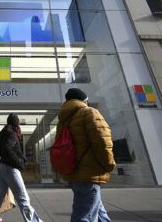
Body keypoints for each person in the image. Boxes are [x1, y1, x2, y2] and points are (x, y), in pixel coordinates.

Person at [56, 88, 116, 222]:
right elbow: (103, 141)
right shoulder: (89, 112)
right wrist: (109, 164)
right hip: (89, 172)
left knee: (97, 210)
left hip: (73, 171)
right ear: (83, 100)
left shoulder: (63, 120)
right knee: (85, 216)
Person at [0, 114, 43, 222]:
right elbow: (8, 148)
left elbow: (1, 150)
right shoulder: (12, 133)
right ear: (16, 123)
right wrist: (19, 162)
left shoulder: (4, 133)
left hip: (3, 167)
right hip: (10, 168)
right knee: (23, 199)